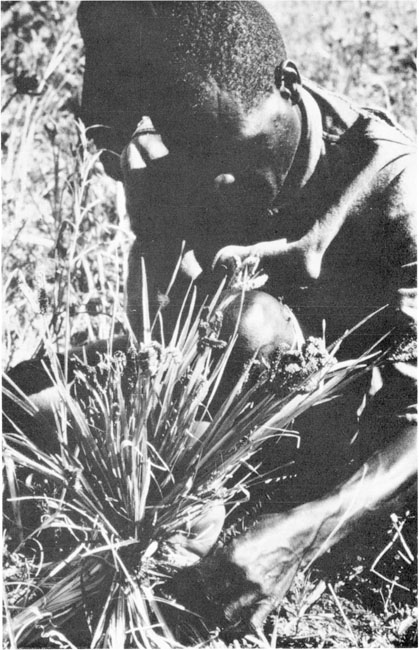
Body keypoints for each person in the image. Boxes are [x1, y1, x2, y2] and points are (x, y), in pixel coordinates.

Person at [4, 0, 416, 639]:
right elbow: (162, 316)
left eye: (233, 146)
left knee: (248, 320)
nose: (217, 177)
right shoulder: (178, 142)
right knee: (22, 400)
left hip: (347, 424)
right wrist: (165, 456)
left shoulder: (393, 188)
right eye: (190, 145)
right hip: (223, 384)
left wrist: (306, 532)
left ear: (288, 83)